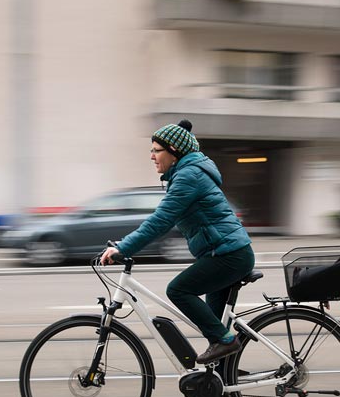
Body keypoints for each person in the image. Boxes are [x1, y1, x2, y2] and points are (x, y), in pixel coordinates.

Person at [100, 119, 254, 365]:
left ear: (175, 152)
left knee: (179, 290)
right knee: (214, 326)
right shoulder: (184, 174)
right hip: (224, 253)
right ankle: (221, 380)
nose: (151, 156)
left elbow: (161, 220)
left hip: (228, 256)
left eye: (156, 150)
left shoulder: (188, 177)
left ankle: (226, 343)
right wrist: (123, 243)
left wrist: (123, 248)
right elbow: (160, 220)